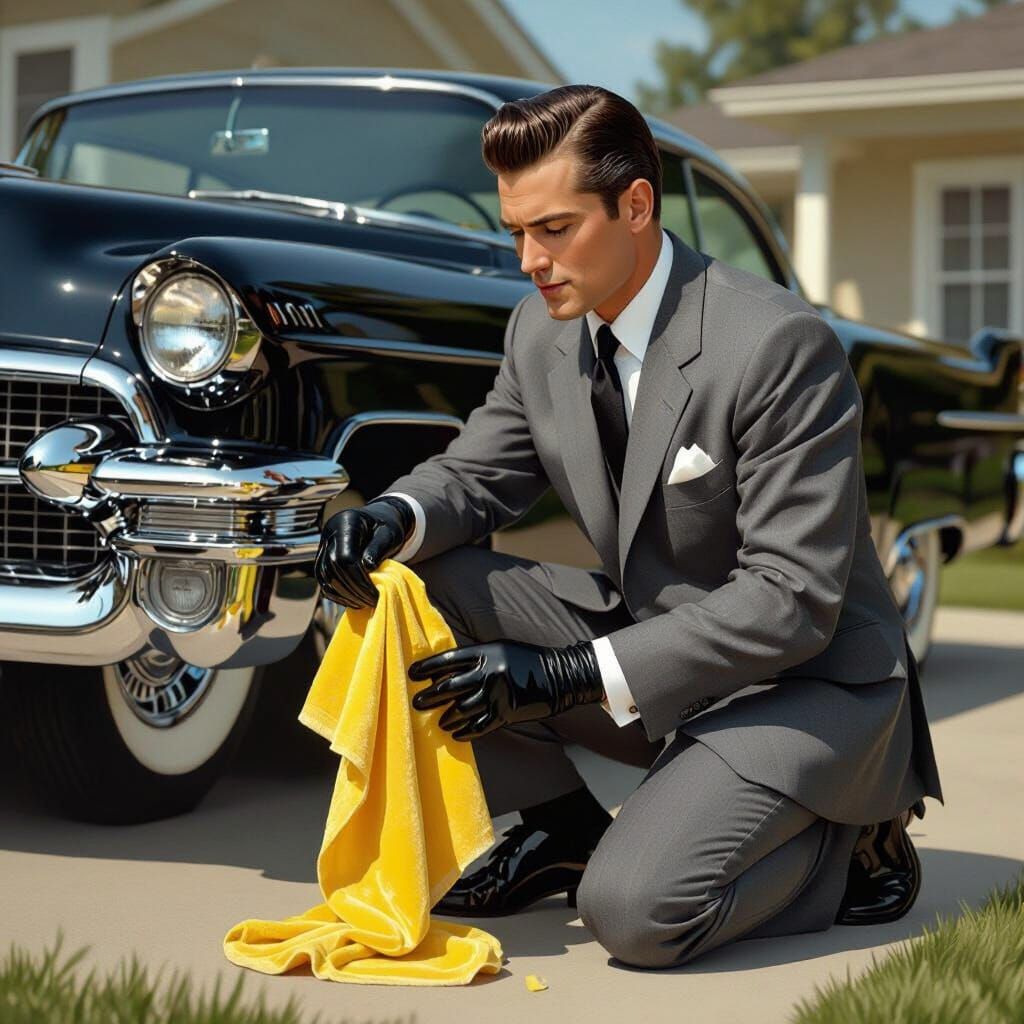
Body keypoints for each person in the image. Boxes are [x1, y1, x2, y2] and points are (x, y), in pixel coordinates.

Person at [314, 84, 943, 968]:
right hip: (667, 658)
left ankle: (854, 837)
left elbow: (791, 601)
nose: (529, 260)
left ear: (636, 205)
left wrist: (565, 674)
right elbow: (476, 472)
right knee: (416, 583)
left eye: (555, 229)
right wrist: (388, 517)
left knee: (635, 913)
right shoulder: (540, 330)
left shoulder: (777, 345)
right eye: (516, 232)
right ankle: (561, 827)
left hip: (806, 685)